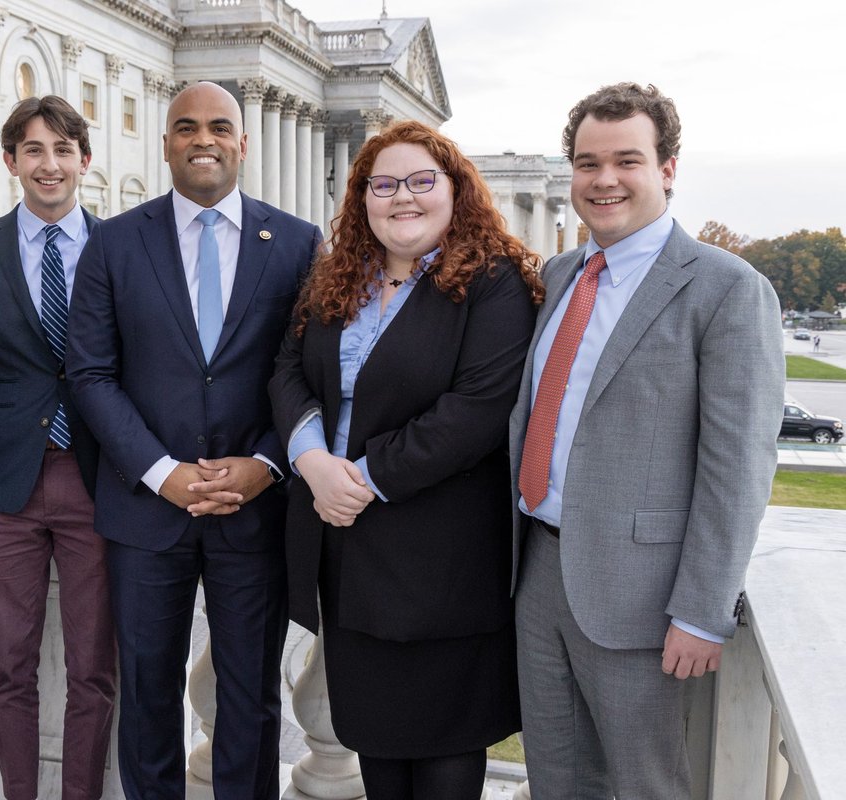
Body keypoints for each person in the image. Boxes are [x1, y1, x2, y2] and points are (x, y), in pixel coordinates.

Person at [509, 82, 784, 799]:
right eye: (586, 162)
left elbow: (738, 465)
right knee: (557, 777)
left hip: (644, 597)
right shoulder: (562, 274)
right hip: (537, 569)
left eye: (626, 160)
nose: (603, 180)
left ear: (666, 168)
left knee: (644, 786)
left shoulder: (726, 289)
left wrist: (702, 609)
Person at [269, 120, 540, 799]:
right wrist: (312, 462)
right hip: (349, 556)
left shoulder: (492, 281)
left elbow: (475, 409)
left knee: (445, 745)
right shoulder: (337, 278)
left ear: (455, 190)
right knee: (376, 741)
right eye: (383, 184)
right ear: (362, 198)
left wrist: (358, 479)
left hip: (444, 561)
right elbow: (286, 373)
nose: (402, 198)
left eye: (422, 181)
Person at [67, 81, 321, 799]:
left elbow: (313, 375)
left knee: (251, 698)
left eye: (218, 126)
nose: (201, 138)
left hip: (255, 513)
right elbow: (89, 375)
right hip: (146, 516)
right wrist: (161, 472)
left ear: (242, 141)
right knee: (147, 697)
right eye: (185, 126)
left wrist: (268, 465)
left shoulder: (298, 242)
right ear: (166, 142)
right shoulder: (114, 242)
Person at [0, 95, 115, 800]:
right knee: (8, 666)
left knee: (94, 668)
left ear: (84, 160)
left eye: (63, 150)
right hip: (4, 490)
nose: (50, 165)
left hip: (98, 481)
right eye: (34, 151)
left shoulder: (121, 245)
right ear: (11, 162)